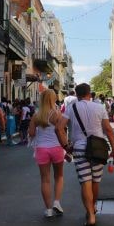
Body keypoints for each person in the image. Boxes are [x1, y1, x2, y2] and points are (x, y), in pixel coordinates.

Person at [62, 83, 114, 226]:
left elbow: (58, 127)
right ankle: (93, 208)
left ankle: (91, 216)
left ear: (76, 94)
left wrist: (65, 146)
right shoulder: (99, 108)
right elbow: (108, 130)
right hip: (98, 149)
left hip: (79, 149)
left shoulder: (71, 108)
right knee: (95, 182)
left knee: (85, 182)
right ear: (89, 93)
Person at [28, 89, 69, 218]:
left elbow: (31, 133)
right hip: (56, 148)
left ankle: (48, 210)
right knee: (59, 176)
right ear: (53, 99)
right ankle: (57, 202)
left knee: (45, 180)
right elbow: (62, 132)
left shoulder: (36, 115)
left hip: (41, 149)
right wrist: (67, 148)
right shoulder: (57, 114)